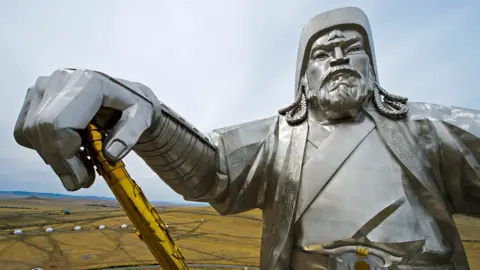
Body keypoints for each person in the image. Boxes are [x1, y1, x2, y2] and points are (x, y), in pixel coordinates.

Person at [13, 6, 479, 270]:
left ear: (372, 67)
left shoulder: (427, 130)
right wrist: (146, 113)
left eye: (351, 49)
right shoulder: (279, 141)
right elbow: (212, 170)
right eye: (323, 53)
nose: (338, 58)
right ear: (302, 77)